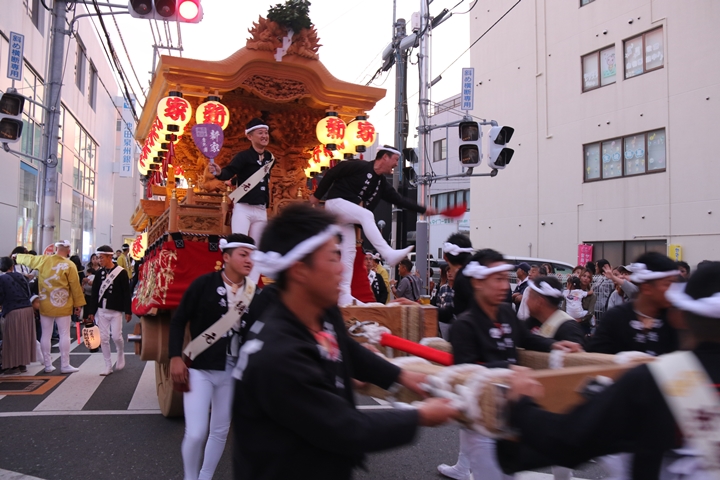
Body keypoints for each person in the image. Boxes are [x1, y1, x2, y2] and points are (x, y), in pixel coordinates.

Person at [233, 203, 457, 480]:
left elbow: (346, 348)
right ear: (300, 269)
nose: (342, 268)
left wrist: (400, 375)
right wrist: (421, 417)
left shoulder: (321, 311)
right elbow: (343, 428)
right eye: (332, 258)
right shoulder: (277, 355)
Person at [499, 262, 720, 479]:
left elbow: (571, 438)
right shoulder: (632, 339)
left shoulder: (655, 379)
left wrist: (521, 404)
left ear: (678, 315)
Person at [438, 249, 581, 480]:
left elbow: (525, 338)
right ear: (478, 282)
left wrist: (555, 345)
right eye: (498, 279)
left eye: (506, 279)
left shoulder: (505, 312)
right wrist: (508, 368)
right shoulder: (464, 325)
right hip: (483, 420)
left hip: (513, 412)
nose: (504, 286)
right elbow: (466, 372)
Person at [170, 234, 259, 480]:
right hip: (201, 367)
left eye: (252, 255)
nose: (249, 260)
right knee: (196, 432)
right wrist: (175, 356)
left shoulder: (254, 292)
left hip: (233, 371)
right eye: (243, 254)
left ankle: (205, 476)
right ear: (226, 257)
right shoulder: (203, 284)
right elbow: (179, 321)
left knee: (220, 430)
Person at [309, 145, 435, 305]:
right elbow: (334, 172)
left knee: (349, 253)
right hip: (335, 203)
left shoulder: (381, 183)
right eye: (395, 160)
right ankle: (387, 253)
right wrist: (317, 196)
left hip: (346, 218)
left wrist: (423, 209)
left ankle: (344, 295)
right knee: (366, 215)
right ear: (385, 157)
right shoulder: (359, 166)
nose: (396, 164)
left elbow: (399, 200)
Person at [208, 119, 274, 275]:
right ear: (250, 136)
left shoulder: (270, 158)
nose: (264, 136)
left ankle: (251, 287)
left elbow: (250, 176)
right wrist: (219, 173)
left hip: (261, 209)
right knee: (239, 246)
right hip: (243, 208)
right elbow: (230, 171)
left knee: (257, 252)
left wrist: (235, 181)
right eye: (260, 133)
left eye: (266, 133)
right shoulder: (243, 156)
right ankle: (233, 282)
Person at [587, 252, 679, 357]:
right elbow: (596, 359)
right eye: (667, 284)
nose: (674, 290)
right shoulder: (615, 319)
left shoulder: (674, 321)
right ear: (647, 287)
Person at [14, 240, 85, 374]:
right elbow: (75, 286)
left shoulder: (43, 260)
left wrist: (17, 257)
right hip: (63, 303)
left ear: (56, 249)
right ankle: (65, 364)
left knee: (46, 334)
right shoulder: (70, 265)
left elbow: (29, 259)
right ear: (68, 251)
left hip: (45, 302)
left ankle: (47, 365)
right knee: (64, 333)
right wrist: (78, 304)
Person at [85, 246, 132, 376]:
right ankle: (108, 365)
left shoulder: (121, 272)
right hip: (102, 310)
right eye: (98, 257)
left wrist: (128, 311)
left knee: (116, 337)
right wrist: (91, 311)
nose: (99, 260)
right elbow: (95, 294)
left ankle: (120, 352)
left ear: (110, 257)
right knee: (104, 338)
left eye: (101, 258)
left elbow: (126, 293)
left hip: (115, 310)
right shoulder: (99, 273)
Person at [0, 257, 36, 373]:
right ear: (12, 266)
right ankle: (22, 364)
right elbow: (28, 292)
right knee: (23, 337)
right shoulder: (21, 276)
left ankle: (13, 365)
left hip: (13, 310)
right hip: (27, 309)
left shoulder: (2, 279)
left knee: (12, 338)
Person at [526, 276, 586, 346]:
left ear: (539, 302)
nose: (526, 301)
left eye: (529, 296)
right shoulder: (531, 322)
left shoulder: (569, 330)